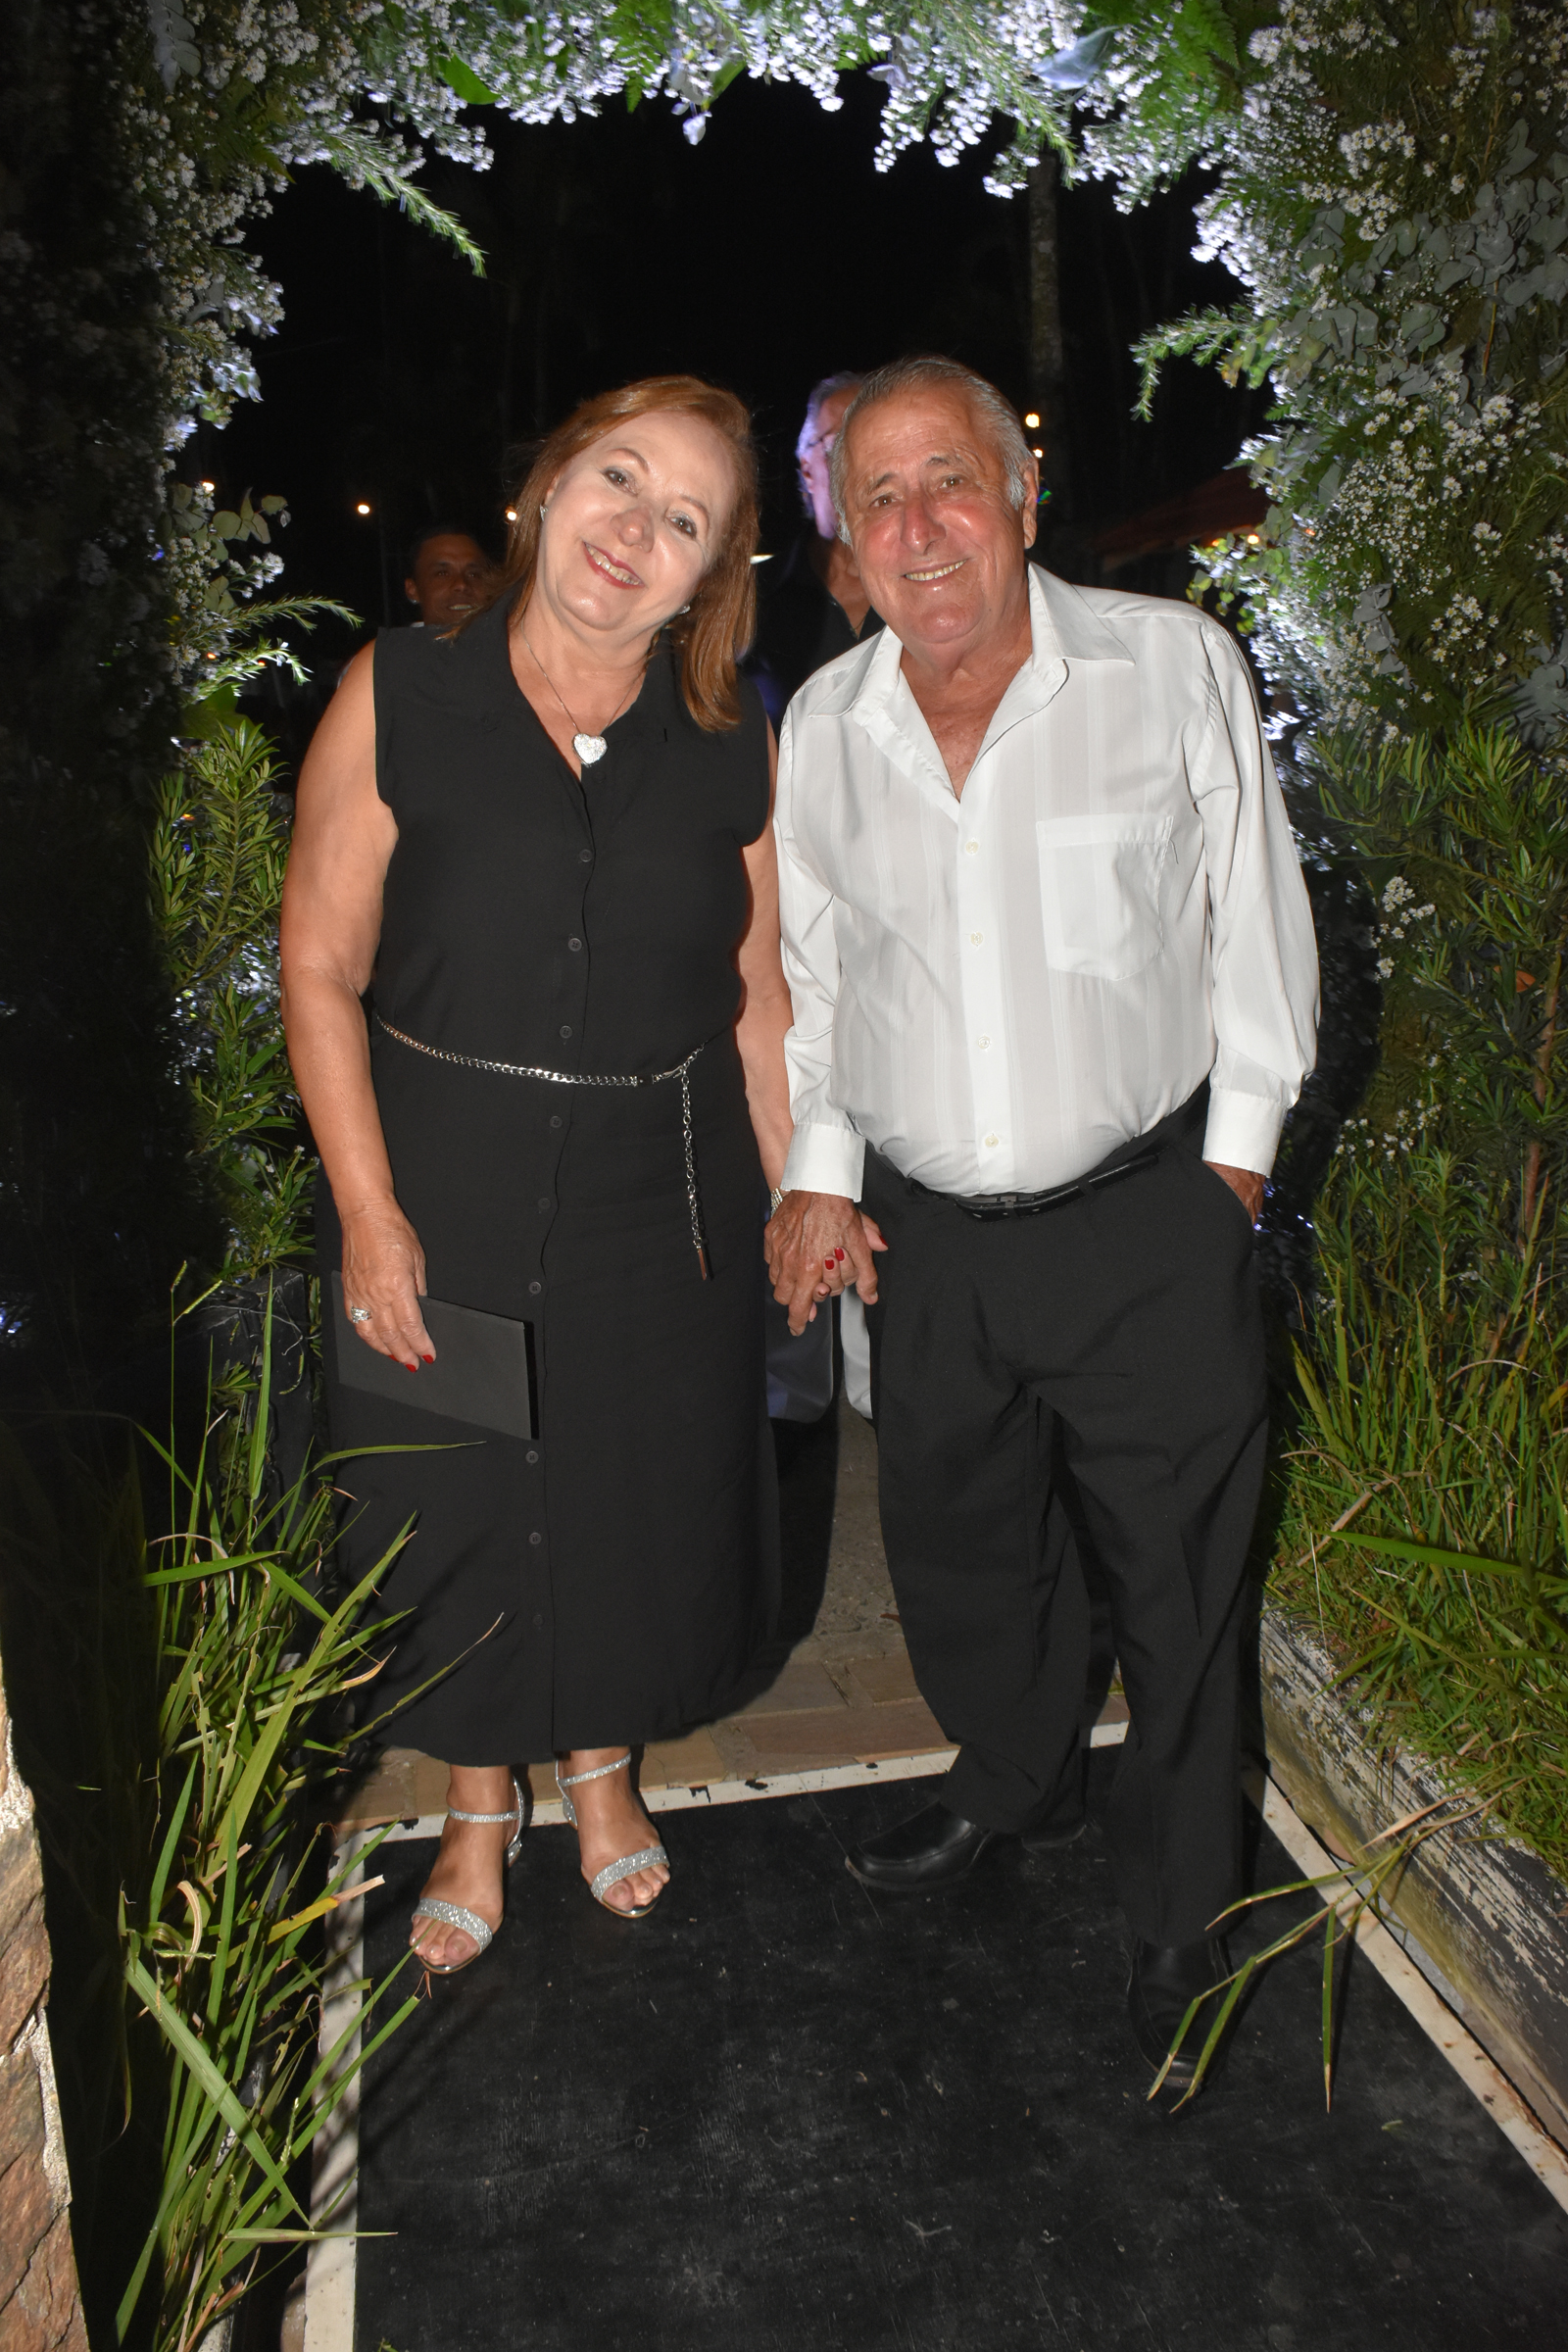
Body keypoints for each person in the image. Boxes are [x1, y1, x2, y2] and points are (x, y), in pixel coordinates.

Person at [764, 356, 1318, 2089]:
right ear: (847, 541)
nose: (920, 525)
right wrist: (825, 1168)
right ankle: (1016, 1782)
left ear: (1020, 488)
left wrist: (1232, 1172)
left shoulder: (1170, 667)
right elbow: (823, 982)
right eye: (879, 499)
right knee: (963, 1560)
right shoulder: (824, 726)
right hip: (930, 1240)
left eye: (949, 479)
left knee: (1179, 1591)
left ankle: (1181, 1912)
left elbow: (1255, 921)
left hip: (1148, 1215)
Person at [281, 376, 795, 1969]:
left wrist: (795, 1195)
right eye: (617, 479)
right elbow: (320, 964)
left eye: (684, 518)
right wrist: (369, 1214)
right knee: (458, 1497)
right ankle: (476, 1799)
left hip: (663, 1192)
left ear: (707, 577)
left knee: (629, 1492)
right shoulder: (401, 689)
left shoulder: (731, 738)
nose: (636, 529)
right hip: (441, 1179)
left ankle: (601, 1769)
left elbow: (761, 997)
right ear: (549, 487)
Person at [747, 372, 879, 1422]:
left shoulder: (942, 596)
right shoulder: (755, 610)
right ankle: (792, 1406)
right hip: (778, 940)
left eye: (851, 444)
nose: (832, 467)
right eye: (819, 450)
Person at [403, 524, 495, 628]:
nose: (461, 585)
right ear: (413, 590)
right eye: (442, 573)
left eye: (473, 574)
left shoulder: (503, 638)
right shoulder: (397, 639)